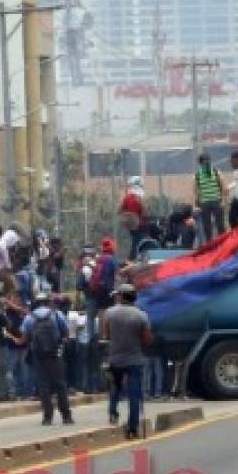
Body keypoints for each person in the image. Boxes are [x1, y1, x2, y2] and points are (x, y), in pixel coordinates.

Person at [103, 283, 153, 439]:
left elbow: (106, 335)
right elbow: (147, 340)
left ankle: (113, 413)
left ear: (121, 296)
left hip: (116, 358)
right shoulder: (141, 315)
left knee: (115, 388)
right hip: (135, 360)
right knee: (134, 395)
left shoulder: (109, 313)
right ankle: (132, 427)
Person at [19, 294, 73, 426]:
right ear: (48, 302)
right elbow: (66, 332)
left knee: (43, 385)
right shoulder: (57, 314)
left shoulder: (29, 317)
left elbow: (24, 338)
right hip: (55, 354)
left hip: (38, 355)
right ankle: (66, 416)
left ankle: (47, 417)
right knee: (60, 384)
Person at [193, 152, 226, 243]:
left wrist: (223, 201)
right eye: (204, 162)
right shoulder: (197, 176)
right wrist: (195, 205)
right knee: (207, 226)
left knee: (220, 224)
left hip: (216, 200)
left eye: (208, 161)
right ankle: (210, 244)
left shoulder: (216, 172)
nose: (207, 163)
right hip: (205, 203)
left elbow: (223, 187)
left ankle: (223, 242)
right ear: (201, 164)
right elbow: (195, 192)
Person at [119, 177, 147, 259]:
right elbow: (143, 210)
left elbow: (120, 209)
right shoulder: (138, 196)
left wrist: (126, 215)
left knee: (133, 239)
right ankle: (134, 257)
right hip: (135, 220)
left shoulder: (127, 197)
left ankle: (131, 256)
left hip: (127, 221)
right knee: (137, 239)